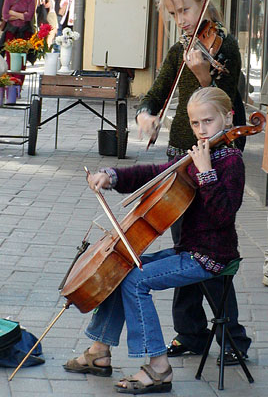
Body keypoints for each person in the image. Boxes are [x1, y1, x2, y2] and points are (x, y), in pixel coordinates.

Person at [63, 86, 247, 394]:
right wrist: (114, 176)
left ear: (227, 119)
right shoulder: (201, 153)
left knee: (136, 280)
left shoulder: (230, 162)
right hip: (190, 250)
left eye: (209, 122)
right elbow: (157, 172)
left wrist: (205, 174)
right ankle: (99, 351)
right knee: (121, 268)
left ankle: (159, 368)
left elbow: (223, 216)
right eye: (195, 124)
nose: (202, 130)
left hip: (211, 257)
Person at [135, 0, 250, 365]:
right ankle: (191, 333)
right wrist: (146, 113)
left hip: (214, 155)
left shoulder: (226, 47)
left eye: (184, 9)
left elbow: (223, 100)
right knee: (185, 249)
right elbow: (156, 90)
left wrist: (203, 73)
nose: (181, 19)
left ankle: (234, 338)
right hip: (179, 156)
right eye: (173, 13)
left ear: (203, 1)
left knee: (206, 247)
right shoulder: (179, 48)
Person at [0, 0, 35, 83]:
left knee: (22, 62)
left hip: (24, 33)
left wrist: (13, 13)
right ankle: (10, 86)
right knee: (10, 61)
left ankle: (18, 86)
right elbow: (5, 16)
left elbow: (29, 17)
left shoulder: (30, 0)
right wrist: (22, 15)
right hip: (11, 32)